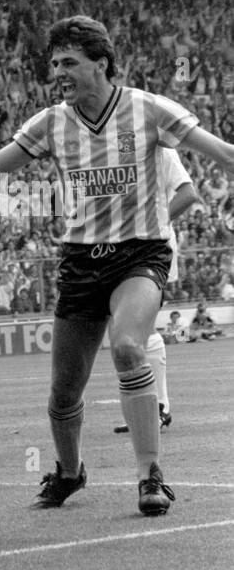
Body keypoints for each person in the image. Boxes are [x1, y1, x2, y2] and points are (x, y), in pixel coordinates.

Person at [0, 16, 234, 516]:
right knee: (64, 393)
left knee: (128, 346)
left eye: (68, 62)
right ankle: (69, 472)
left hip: (141, 253)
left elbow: (221, 152)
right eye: (53, 63)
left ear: (100, 63)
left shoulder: (149, 110)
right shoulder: (52, 122)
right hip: (81, 261)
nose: (57, 71)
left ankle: (150, 475)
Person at [112, 147, 198, 433]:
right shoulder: (114, 151)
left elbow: (188, 193)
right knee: (130, 330)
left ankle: (157, 408)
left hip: (153, 247)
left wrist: (154, 222)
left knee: (139, 328)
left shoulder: (162, 151)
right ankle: (151, 408)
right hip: (123, 247)